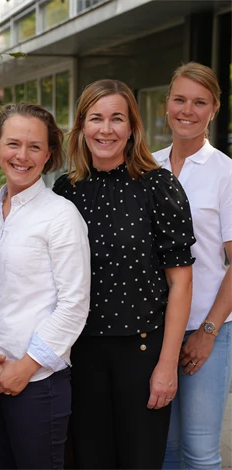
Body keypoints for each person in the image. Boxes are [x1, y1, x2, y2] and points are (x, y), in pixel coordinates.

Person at [53, 79, 195, 469]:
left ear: (132, 127)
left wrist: (167, 366)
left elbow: (180, 282)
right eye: (96, 118)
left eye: (117, 119)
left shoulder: (158, 186)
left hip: (143, 352)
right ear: (82, 126)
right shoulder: (67, 190)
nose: (106, 129)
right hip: (81, 353)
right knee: (90, 459)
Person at [0, 103, 91, 470]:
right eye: (13, 144)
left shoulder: (61, 216)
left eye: (34, 146)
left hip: (38, 383)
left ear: (49, 154)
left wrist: (26, 367)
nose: (22, 156)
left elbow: (74, 305)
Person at [153, 62, 232, 470]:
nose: (188, 110)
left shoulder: (226, 173)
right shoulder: (147, 167)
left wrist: (208, 331)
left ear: (214, 109)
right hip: (152, 329)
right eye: (180, 99)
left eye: (199, 102)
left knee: (200, 454)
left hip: (207, 327)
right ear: (166, 104)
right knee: (163, 448)